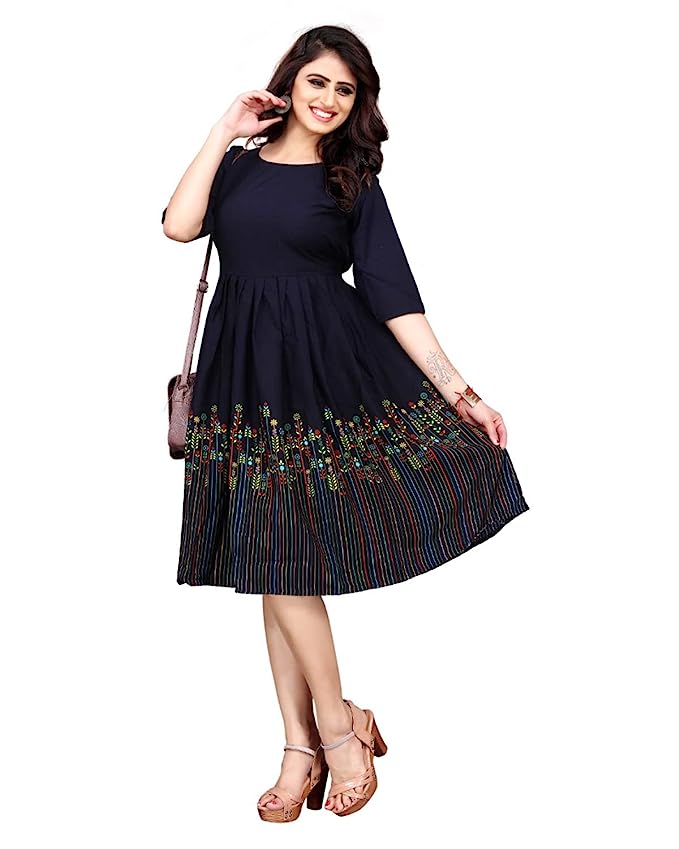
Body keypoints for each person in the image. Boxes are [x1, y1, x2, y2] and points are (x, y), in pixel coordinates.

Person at [161, 24, 529, 822]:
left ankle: (328, 734)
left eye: (344, 89)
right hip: (242, 378)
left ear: (357, 102)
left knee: (282, 559)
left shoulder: (351, 179)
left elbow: (393, 293)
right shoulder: (235, 165)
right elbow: (179, 226)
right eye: (317, 81)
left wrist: (461, 393)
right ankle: (313, 737)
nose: (328, 99)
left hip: (323, 375)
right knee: (267, 556)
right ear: (288, 83)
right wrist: (223, 127)